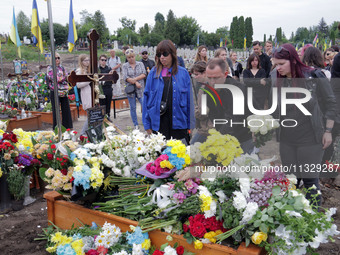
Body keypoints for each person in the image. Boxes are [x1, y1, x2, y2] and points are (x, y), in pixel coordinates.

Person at [271, 43, 336, 207]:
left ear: (293, 60)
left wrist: (328, 131)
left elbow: (331, 104)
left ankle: (314, 218)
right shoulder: (279, 81)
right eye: (275, 64)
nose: (277, 68)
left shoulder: (314, 76)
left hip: (310, 138)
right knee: (290, 180)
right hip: (287, 139)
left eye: (281, 64)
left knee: (310, 180)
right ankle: (293, 218)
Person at [142, 40, 194, 144]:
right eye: (159, 54)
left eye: (165, 54)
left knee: (179, 156)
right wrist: (147, 125)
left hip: (178, 123)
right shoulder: (153, 73)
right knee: (160, 156)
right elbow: (146, 99)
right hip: (158, 123)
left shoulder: (183, 74)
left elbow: (190, 102)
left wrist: (191, 125)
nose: (162, 57)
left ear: (172, 54)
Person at [204, 58, 254, 153]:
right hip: (222, 133)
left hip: (242, 137)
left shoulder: (238, 90)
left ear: (225, 74)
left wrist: (217, 140)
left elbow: (232, 119)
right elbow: (212, 114)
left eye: (216, 78)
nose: (212, 82)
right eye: (209, 78)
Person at [46, 52, 73, 129]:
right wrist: (64, 77)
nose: (57, 60)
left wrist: (65, 77)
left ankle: (68, 127)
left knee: (66, 109)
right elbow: (56, 79)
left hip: (63, 91)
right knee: (56, 111)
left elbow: (67, 77)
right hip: (55, 91)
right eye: (55, 58)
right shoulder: (50, 68)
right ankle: (57, 128)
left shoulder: (62, 68)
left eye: (58, 58)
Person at [122, 49, 146, 129]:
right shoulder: (125, 66)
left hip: (140, 89)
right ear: (127, 58)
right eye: (129, 57)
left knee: (144, 105)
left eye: (132, 57)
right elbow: (126, 77)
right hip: (131, 90)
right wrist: (136, 82)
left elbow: (144, 74)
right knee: (133, 107)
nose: (131, 59)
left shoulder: (140, 64)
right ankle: (135, 124)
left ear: (135, 56)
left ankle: (145, 122)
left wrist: (134, 79)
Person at [75, 54, 91, 135]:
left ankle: (89, 132)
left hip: (90, 92)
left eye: (88, 60)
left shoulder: (88, 70)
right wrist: (89, 80)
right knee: (90, 114)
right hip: (85, 93)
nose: (87, 62)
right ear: (81, 62)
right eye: (85, 60)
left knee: (93, 114)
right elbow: (78, 85)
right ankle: (83, 133)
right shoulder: (79, 71)